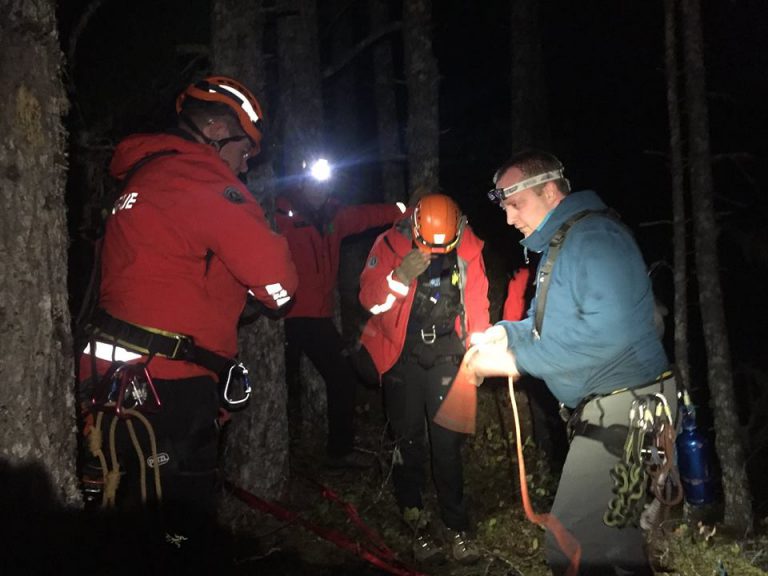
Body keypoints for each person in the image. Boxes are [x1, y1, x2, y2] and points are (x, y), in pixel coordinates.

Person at [77, 76, 298, 553]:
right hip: (168, 389)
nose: (246, 163)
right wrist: (270, 297)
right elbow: (276, 279)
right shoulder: (198, 177)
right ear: (216, 129)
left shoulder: (139, 181)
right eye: (245, 149)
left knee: (125, 524)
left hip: (110, 382)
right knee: (178, 535)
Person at [467, 150, 675, 575]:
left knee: (571, 546)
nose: (508, 219)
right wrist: (506, 332)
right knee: (615, 543)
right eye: (503, 206)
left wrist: (512, 361)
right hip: (613, 409)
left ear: (548, 189)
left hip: (628, 410)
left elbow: (607, 337)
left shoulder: (595, 239)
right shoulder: (562, 245)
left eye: (514, 203)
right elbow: (545, 326)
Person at [358, 193, 490, 564]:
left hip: (448, 353)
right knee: (408, 440)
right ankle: (414, 518)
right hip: (402, 356)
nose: (437, 250)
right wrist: (399, 277)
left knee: (448, 443)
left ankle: (457, 524)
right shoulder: (388, 245)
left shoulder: (469, 247)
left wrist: (477, 353)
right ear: (414, 227)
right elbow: (370, 301)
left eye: (445, 244)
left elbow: (477, 304)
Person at [274, 160, 405, 467]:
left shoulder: (334, 217)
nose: (318, 190)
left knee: (342, 377)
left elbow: (369, 215)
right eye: (313, 183)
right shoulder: (281, 215)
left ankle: (339, 451)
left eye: (324, 184)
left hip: (316, 318)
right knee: (280, 383)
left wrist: (409, 210)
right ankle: (285, 452)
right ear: (302, 184)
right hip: (282, 317)